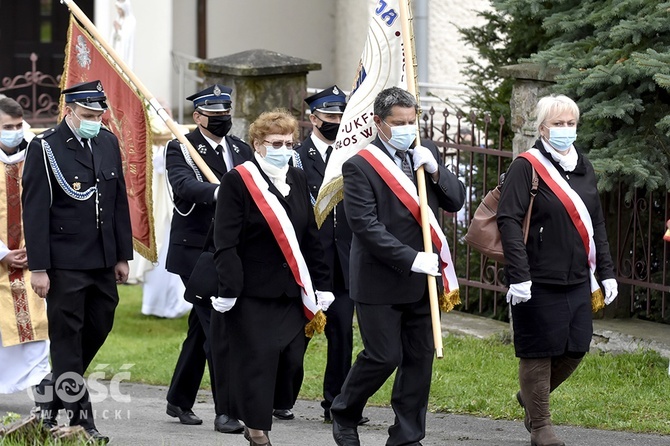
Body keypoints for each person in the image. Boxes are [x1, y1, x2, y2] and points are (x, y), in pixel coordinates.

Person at [330, 86, 466, 446]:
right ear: (379, 122)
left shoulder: (426, 153)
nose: (407, 128)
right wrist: (411, 258)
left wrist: (437, 172)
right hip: (379, 280)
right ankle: (344, 411)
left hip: (423, 283)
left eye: (412, 121)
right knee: (383, 356)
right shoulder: (360, 165)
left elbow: (454, 201)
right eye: (398, 122)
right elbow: (365, 225)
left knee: (419, 360)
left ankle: (407, 435)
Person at [497, 94, 618, 446]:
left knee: (576, 347)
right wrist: (519, 276)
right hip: (536, 279)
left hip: (577, 277)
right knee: (538, 349)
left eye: (570, 123)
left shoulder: (584, 166)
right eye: (558, 124)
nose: (565, 130)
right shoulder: (527, 166)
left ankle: (532, 398)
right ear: (542, 127)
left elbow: (596, 223)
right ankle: (541, 427)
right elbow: (508, 220)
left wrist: (607, 271)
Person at [209, 109, 334, 446]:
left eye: (290, 143)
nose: (284, 148)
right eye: (276, 142)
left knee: (292, 360)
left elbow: (310, 235)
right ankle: (257, 430)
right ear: (257, 144)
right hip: (251, 291)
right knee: (260, 359)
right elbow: (226, 240)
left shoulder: (298, 177)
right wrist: (229, 287)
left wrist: (322, 285)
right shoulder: (239, 180)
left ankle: (267, 411)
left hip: (291, 291)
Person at [22, 80, 134, 444]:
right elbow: (35, 210)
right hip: (64, 261)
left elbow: (117, 202)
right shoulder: (46, 146)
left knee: (100, 324)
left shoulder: (107, 141)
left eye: (98, 114)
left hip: (102, 259)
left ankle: (49, 390)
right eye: (87, 115)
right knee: (67, 339)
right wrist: (38, 267)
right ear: (69, 110)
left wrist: (121, 255)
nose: (94, 120)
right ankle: (81, 419)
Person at [164, 84, 252, 433]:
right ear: (198, 116)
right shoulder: (182, 148)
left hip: (231, 250)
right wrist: (223, 191)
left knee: (200, 329)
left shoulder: (242, 148)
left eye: (226, 114)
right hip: (196, 254)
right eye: (214, 115)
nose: (221, 120)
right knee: (219, 327)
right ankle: (227, 411)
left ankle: (178, 399)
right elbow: (184, 185)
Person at [284, 86, 367, 425]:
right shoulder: (297, 157)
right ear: (313, 118)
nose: (336, 121)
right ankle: (281, 398)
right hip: (306, 260)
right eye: (330, 116)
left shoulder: (352, 155)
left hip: (344, 260)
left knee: (342, 336)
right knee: (294, 336)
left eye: (340, 116)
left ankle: (336, 403)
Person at [0, 97, 50, 395]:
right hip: (2, 256)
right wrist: (4, 252)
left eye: (19, 126)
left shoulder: (37, 155)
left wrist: (37, 249)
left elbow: (51, 206)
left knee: (35, 325)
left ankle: (38, 390)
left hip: (32, 259)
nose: (15, 131)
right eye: (7, 127)